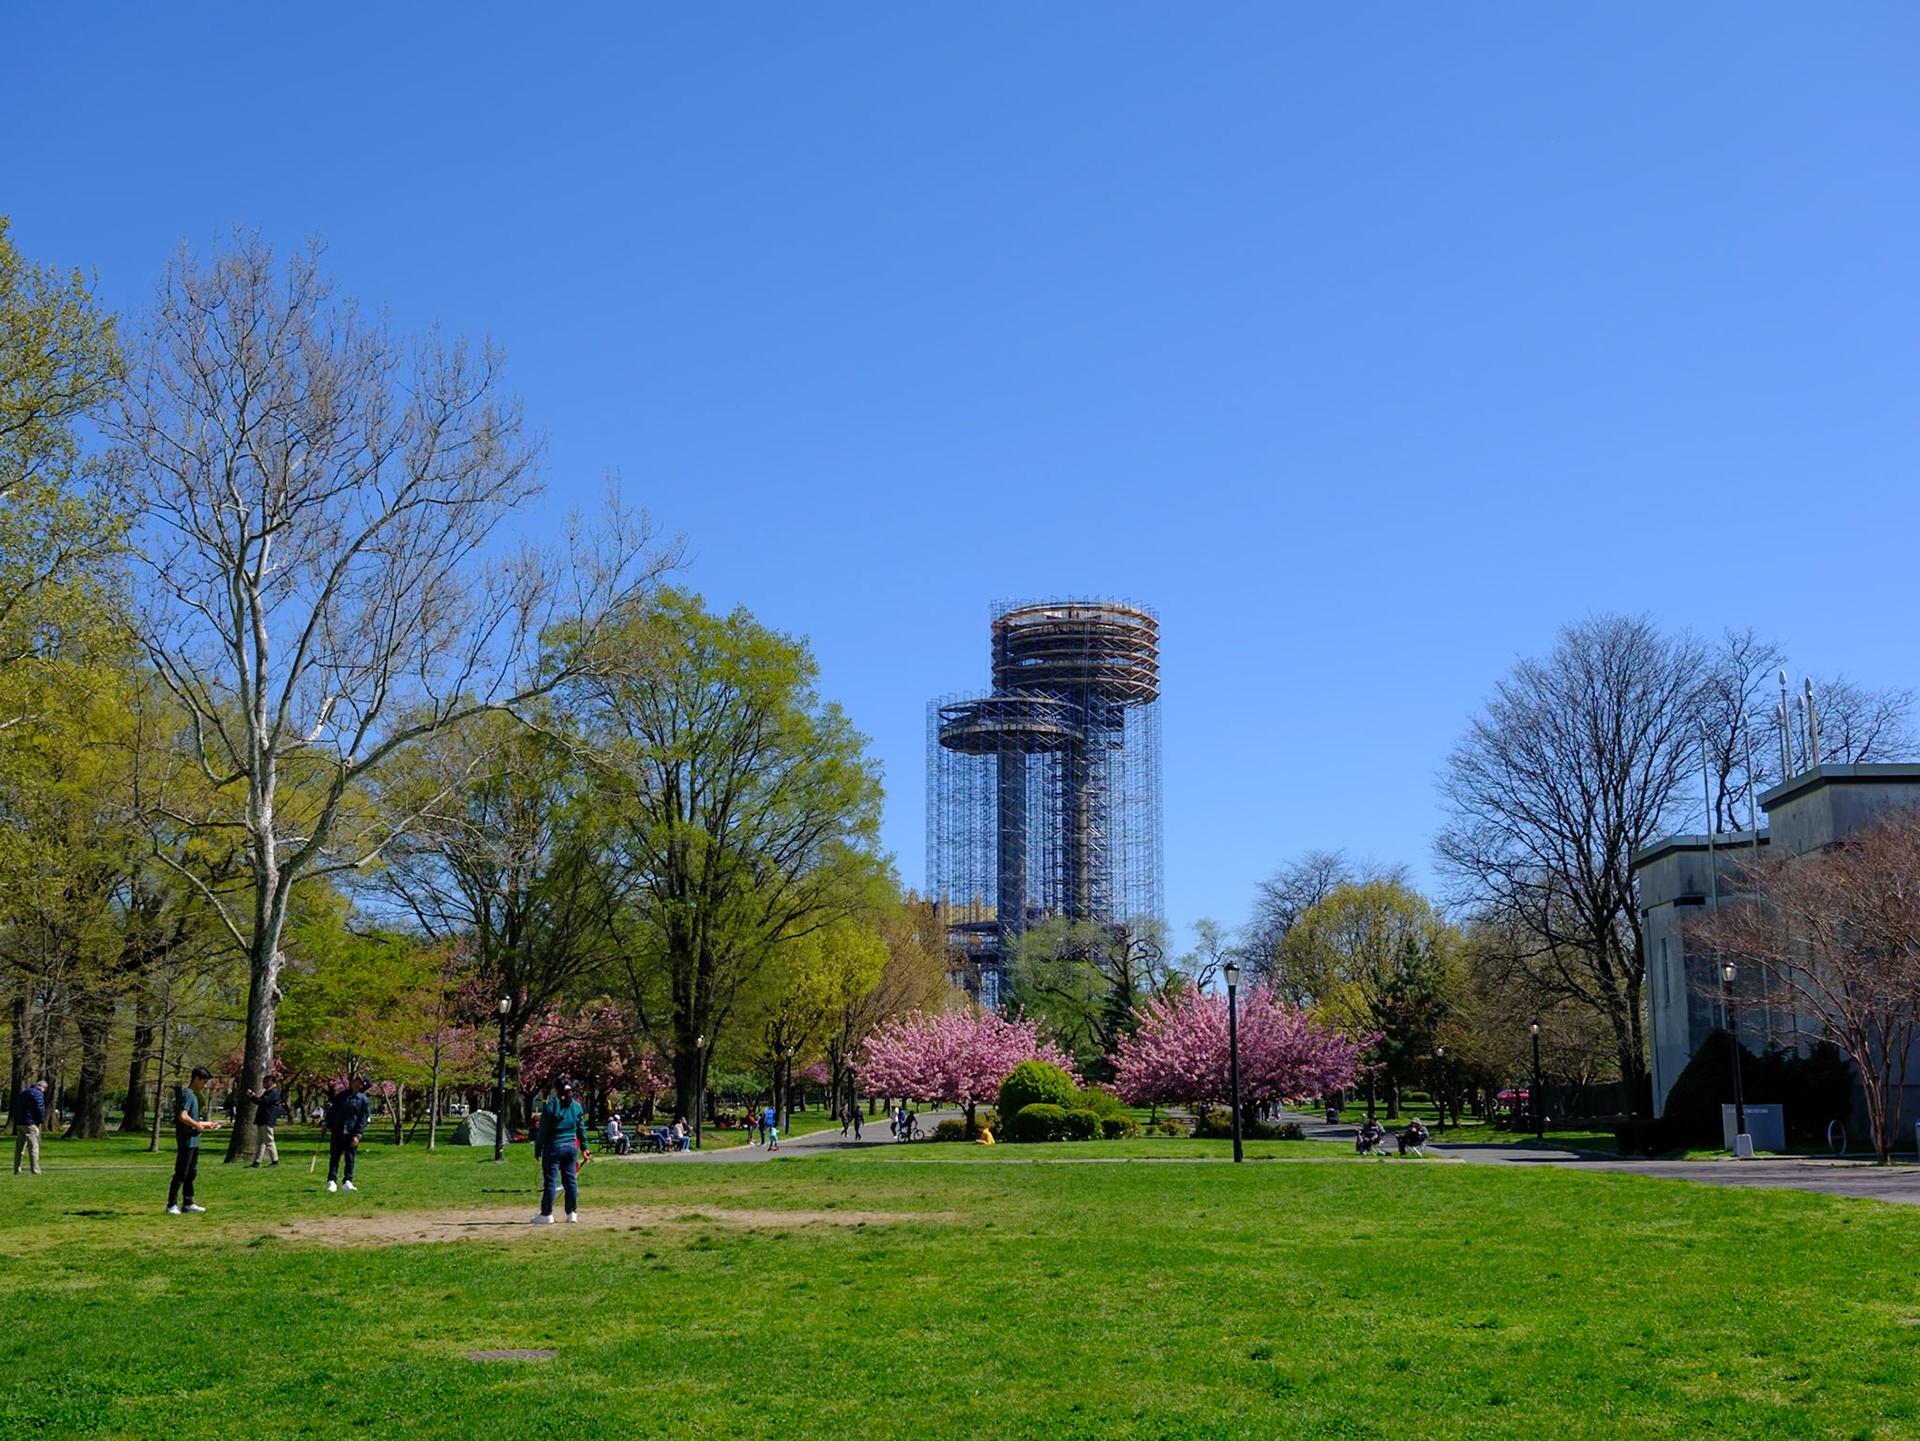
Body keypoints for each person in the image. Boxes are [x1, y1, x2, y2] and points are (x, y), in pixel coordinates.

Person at [530, 1077, 588, 1224]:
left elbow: (542, 1131)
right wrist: (585, 1148)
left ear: (555, 1090)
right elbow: (581, 1129)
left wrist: (538, 1149)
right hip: (570, 1147)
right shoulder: (576, 1107)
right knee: (570, 1181)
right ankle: (572, 1213)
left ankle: (547, 1214)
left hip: (553, 1147)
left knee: (550, 1182)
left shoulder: (551, 1107)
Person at [167, 1066, 221, 1214]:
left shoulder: (194, 1095)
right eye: (203, 1082)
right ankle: (171, 1204)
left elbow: (192, 1119)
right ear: (196, 1078)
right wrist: (197, 1124)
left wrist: (206, 1124)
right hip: (187, 1142)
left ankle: (188, 1202)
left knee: (191, 1173)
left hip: (194, 1141)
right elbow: (183, 1116)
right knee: (181, 1173)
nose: (204, 1085)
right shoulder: (187, 1095)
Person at [325, 1076, 372, 1193]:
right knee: (334, 1157)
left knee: (350, 1158)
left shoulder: (363, 1100)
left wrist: (358, 1135)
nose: (354, 1080)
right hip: (338, 1131)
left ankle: (347, 1181)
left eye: (358, 1080)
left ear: (362, 1085)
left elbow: (362, 1119)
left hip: (351, 1133)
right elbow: (332, 1111)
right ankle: (332, 1180)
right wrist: (326, 1123)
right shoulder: (341, 1096)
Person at [12, 1078, 47, 1176]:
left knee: (19, 1148)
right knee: (33, 1148)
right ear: (42, 1087)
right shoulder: (38, 1094)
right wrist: (40, 1121)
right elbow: (40, 1108)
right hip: (30, 1123)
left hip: (20, 1122)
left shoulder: (24, 1093)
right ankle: (35, 1170)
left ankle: (17, 1169)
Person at [248, 1078, 283, 1168]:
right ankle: (257, 1161)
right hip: (262, 1119)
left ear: (271, 1082)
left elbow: (263, 1102)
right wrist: (253, 1097)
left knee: (269, 1141)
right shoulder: (268, 1092)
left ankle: (275, 1161)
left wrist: (252, 1097)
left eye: (265, 1082)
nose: (263, 1084)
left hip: (268, 1119)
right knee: (260, 1142)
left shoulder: (273, 1092)